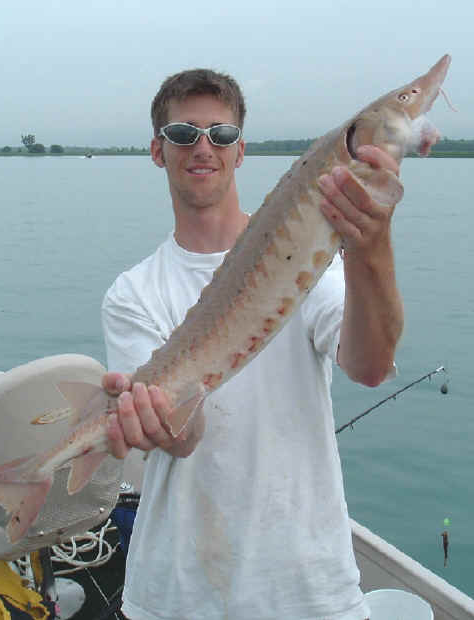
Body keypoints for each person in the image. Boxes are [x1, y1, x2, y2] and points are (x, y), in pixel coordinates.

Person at [101, 68, 403, 620]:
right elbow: (183, 438)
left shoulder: (308, 257)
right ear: (157, 150)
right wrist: (158, 421)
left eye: (221, 135)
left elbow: (371, 366)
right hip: (177, 596)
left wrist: (372, 247)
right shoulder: (133, 293)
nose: (203, 148)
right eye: (183, 134)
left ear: (239, 151)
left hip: (310, 591)